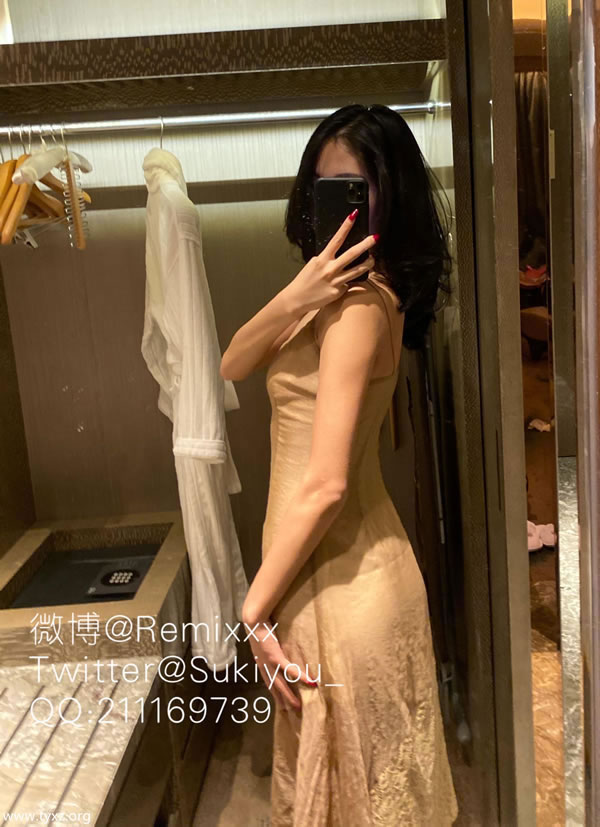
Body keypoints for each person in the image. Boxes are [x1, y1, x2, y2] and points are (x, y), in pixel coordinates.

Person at [220, 104, 458, 825]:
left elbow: (326, 483)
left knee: (357, 801)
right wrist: (300, 291)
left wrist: (251, 608)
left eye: (355, 186)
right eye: (325, 186)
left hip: (344, 588)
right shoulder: (325, 297)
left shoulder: (358, 310)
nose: (340, 205)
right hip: (320, 573)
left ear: (391, 194)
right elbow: (232, 362)